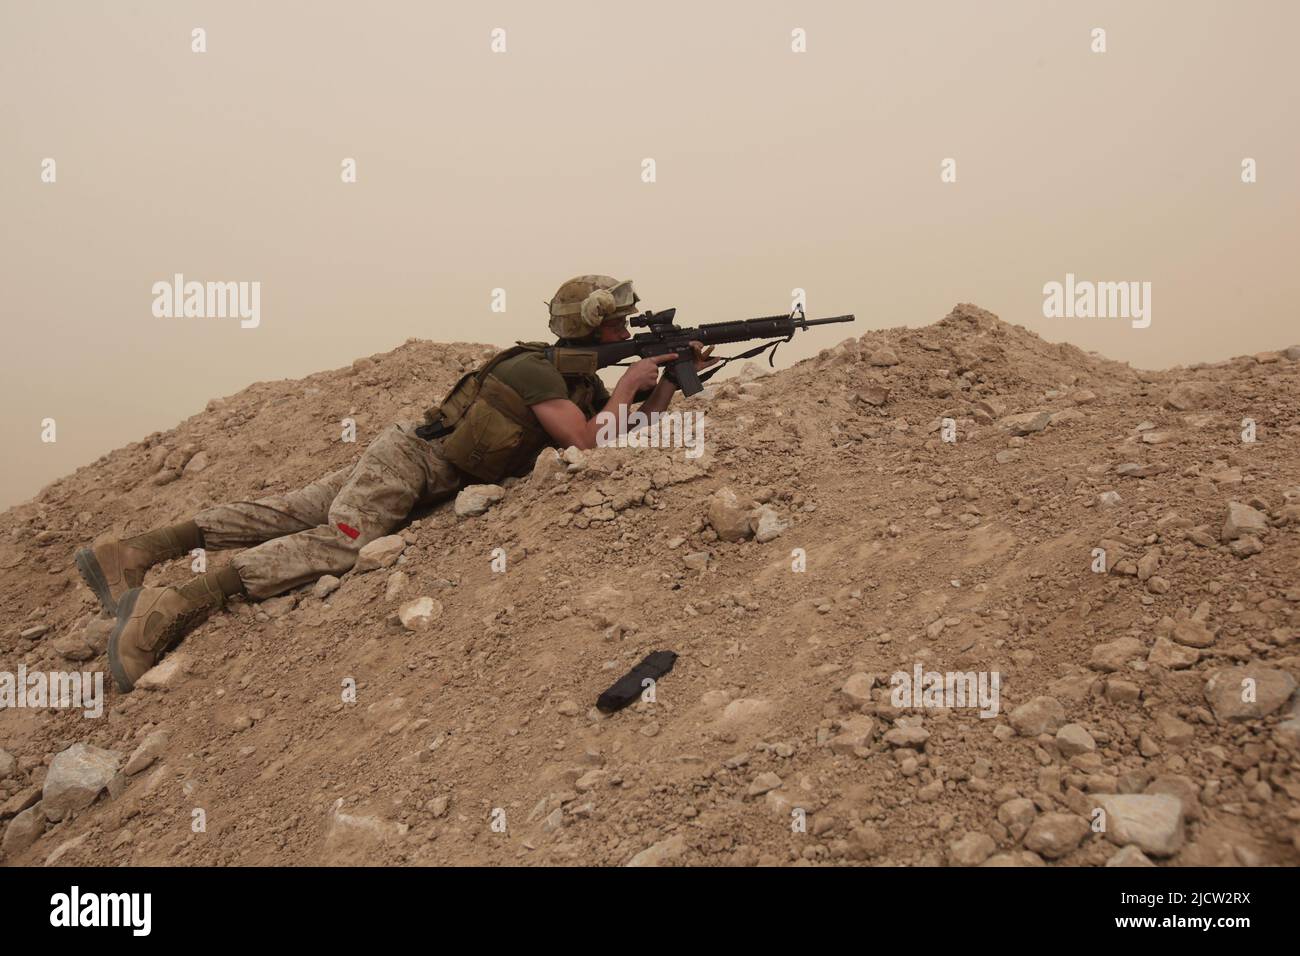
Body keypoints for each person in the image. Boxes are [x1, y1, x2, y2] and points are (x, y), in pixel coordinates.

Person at [75, 275, 715, 692]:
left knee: (291, 511)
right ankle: (171, 606)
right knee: (341, 541)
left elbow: (611, 436)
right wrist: (632, 385)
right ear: (591, 325)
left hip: (408, 456)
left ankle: (133, 551)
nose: (626, 335)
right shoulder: (536, 371)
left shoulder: (578, 383)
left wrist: (660, 388)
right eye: (618, 326)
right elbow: (583, 441)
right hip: (410, 465)